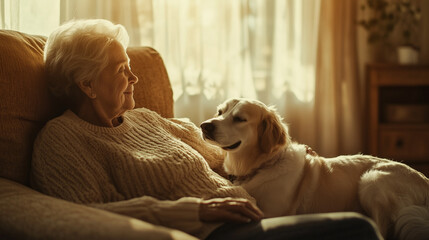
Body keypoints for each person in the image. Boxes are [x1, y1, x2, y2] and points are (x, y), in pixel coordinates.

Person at [31, 19, 381, 240]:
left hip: (248, 211)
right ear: (88, 85)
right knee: (358, 228)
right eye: (123, 69)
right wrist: (194, 211)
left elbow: (227, 153)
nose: (135, 77)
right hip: (217, 231)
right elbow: (85, 215)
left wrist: (284, 157)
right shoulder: (61, 140)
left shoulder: (146, 119)